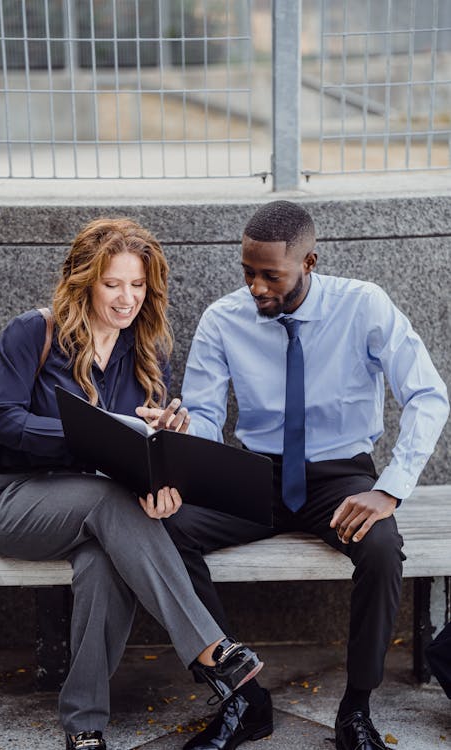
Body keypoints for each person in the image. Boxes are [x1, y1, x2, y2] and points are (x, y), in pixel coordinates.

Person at [137, 200, 449, 750]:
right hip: (254, 474)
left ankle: (356, 710)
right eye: (248, 273)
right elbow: (208, 419)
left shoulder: (364, 306)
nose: (256, 287)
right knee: (162, 529)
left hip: (339, 476)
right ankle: (242, 699)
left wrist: (389, 490)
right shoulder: (222, 319)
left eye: (270, 276)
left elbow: (428, 395)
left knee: (380, 547)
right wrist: (181, 430)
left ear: (309, 262)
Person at [0, 217, 264, 750]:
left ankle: (83, 725)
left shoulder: (148, 351)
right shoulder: (32, 333)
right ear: (84, 281)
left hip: (105, 512)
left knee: (104, 563)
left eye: (137, 285)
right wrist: (88, 436)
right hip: (18, 503)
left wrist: (164, 469)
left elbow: (142, 450)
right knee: (109, 500)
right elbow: (2, 418)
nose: (126, 298)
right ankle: (211, 649)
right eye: (113, 284)